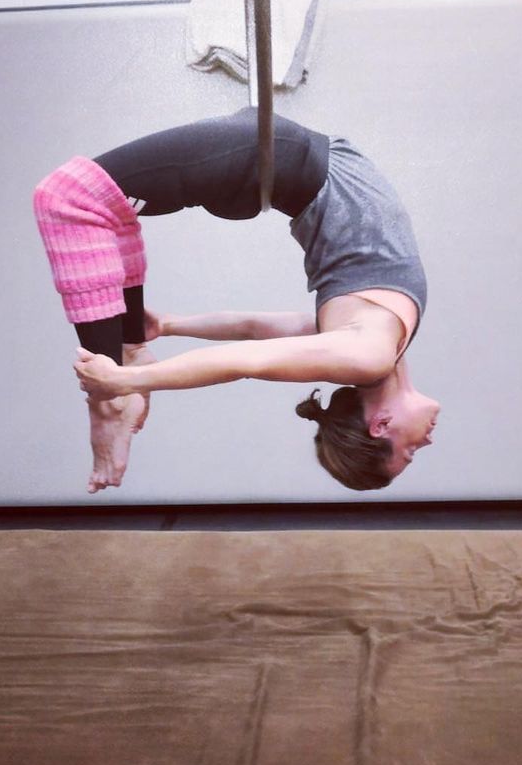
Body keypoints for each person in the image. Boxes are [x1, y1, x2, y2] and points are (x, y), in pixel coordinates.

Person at [33, 107, 439, 494]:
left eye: (410, 452)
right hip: (283, 158)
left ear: (380, 426)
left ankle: (109, 404)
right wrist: (170, 325)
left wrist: (122, 382)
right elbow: (253, 329)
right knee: (105, 208)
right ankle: (129, 355)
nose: (426, 443)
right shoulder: (381, 347)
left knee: (67, 197)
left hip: (275, 159)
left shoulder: (368, 355)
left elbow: (244, 360)